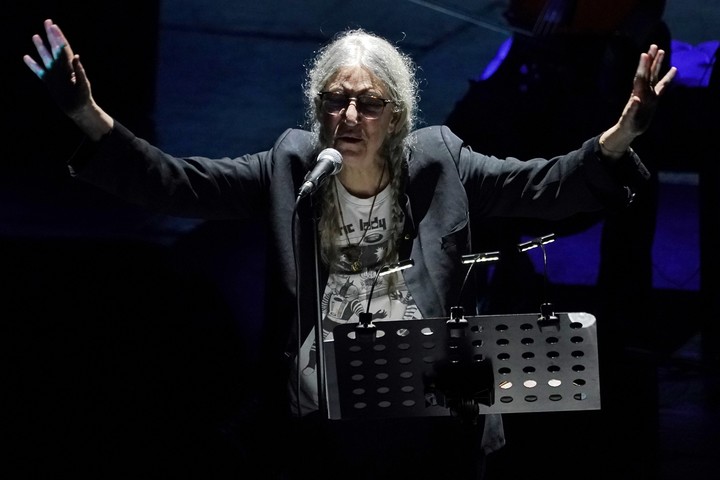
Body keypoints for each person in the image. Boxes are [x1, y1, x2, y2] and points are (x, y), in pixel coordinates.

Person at [23, 18, 676, 480]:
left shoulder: (441, 162)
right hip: (321, 427)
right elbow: (171, 183)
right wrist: (87, 114)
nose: (351, 117)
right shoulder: (289, 166)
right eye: (336, 101)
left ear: (397, 113)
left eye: (369, 103)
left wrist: (620, 136)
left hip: (429, 428)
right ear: (318, 110)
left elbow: (548, 186)